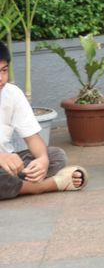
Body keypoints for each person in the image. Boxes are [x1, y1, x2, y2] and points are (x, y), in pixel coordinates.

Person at [1, 42, 87, 199]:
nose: (1, 78)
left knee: (56, 156)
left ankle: (15, 184)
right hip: (3, 163)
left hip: (11, 164)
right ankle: (46, 186)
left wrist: (42, 160)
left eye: (4, 70)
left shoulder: (12, 94)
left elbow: (32, 137)